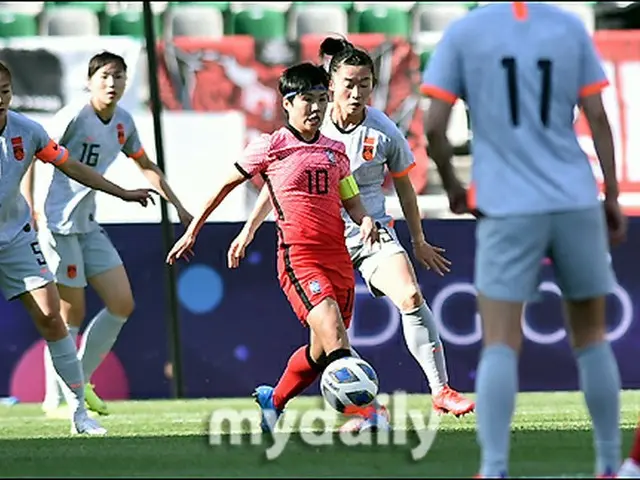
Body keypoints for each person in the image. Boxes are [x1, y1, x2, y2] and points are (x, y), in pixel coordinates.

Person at [227, 37, 475, 432]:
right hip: (320, 242)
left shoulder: (382, 128)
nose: (357, 92)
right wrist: (249, 229)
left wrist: (419, 239)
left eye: (365, 83)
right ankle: (278, 400)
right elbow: (278, 183)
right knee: (322, 346)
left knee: (410, 295)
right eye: (348, 83)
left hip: (371, 233)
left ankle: (440, 390)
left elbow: (405, 186)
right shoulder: (308, 122)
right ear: (330, 84)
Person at [421, 2, 625, 477]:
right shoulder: (568, 26)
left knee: (499, 342)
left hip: (505, 203)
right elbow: (597, 116)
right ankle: (610, 465)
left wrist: (453, 184)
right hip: (574, 198)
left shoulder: (465, 33)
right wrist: (610, 194)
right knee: (592, 338)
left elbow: (433, 126)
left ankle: (494, 469)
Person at [166, 62, 380, 433]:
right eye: (306, 100)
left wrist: (364, 219)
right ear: (287, 103)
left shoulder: (336, 151)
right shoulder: (271, 146)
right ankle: (365, 416)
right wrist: (193, 229)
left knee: (319, 353)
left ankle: (274, 400)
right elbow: (225, 185)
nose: (314, 108)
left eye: (320, 99)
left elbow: (351, 199)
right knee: (332, 328)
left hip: (338, 258)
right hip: (300, 257)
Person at [22, 51, 193, 418]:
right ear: (89, 81)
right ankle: (57, 397)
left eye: (118, 77)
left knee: (122, 304)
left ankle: (78, 382)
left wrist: (178, 205)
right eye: (104, 77)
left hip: (88, 223)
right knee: (72, 313)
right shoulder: (72, 115)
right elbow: (33, 156)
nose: (111, 84)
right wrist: (31, 208)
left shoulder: (124, 122)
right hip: (58, 224)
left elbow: (146, 165)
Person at [0, 60, 155, 435]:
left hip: (17, 239)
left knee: (53, 318)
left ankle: (78, 415)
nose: (0, 97)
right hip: (55, 228)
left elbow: (72, 167)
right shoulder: (72, 116)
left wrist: (123, 192)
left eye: (4, 90)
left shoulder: (27, 130)